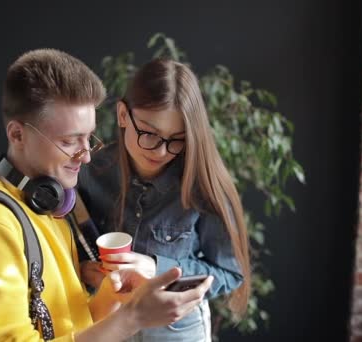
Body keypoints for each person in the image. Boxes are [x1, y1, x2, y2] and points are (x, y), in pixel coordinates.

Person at [0, 49, 213, 341]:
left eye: (88, 137)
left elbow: (67, 327)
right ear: (17, 135)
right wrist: (133, 318)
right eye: (69, 141)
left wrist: (108, 299)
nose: (87, 156)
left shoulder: (46, 209)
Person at [76, 58, 252, 342]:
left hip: (178, 334)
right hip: (105, 327)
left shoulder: (203, 183)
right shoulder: (89, 170)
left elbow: (230, 273)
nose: (160, 151)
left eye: (177, 139)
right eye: (149, 134)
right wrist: (85, 269)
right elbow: (69, 247)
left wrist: (156, 266)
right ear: (123, 115)